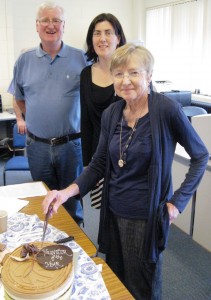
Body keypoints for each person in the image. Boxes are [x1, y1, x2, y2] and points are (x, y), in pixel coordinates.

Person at [42, 43, 209, 299]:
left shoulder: (166, 110)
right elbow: (98, 164)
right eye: (118, 74)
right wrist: (65, 193)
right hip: (112, 213)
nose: (125, 80)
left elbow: (200, 156)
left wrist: (177, 202)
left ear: (149, 75)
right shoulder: (112, 113)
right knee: (117, 281)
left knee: (144, 288)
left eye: (134, 73)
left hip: (146, 218)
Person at [13, 1, 87, 225]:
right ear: (37, 25)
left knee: (72, 201)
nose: (51, 25)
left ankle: (75, 246)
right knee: (44, 202)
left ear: (64, 25)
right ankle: (48, 245)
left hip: (71, 146)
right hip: (38, 147)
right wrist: (38, 116)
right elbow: (19, 98)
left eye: (56, 20)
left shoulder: (82, 58)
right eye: (45, 20)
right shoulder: (24, 60)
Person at [80, 13, 126, 167]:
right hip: (97, 156)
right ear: (91, 40)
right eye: (97, 33)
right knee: (99, 192)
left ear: (118, 39)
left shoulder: (131, 72)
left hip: (127, 154)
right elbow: (86, 122)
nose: (102, 38)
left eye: (108, 32)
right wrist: (87, 162)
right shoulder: (86, 74)